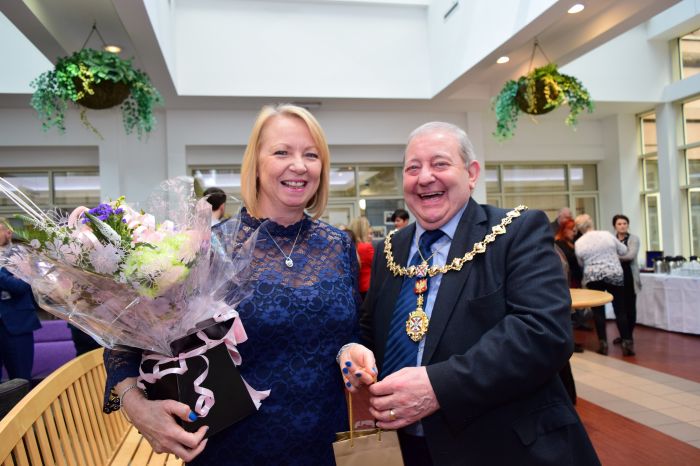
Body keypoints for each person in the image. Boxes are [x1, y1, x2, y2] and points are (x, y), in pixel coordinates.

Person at [102, 104, 360, 464]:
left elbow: (355, 332)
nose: (299, 165)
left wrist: (355, 351)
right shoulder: (208, 247)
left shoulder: (339, 245)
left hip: (327, 446)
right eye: (282, 152)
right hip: (234, 450)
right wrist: (137, 408)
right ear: (255, 163)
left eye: (311, 155)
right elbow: (124, 345)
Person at [338, 122, 599, 465]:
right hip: (404, 447)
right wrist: (354, 349)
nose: (425, 177)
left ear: (472, 173)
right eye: (412, 168)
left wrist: (438, 386)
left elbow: (543, 332)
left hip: (501, 447)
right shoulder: (390, 248)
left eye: (440, 164)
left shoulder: (515, 231)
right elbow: (372, 328)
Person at [574, 214, 634, 356]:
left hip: (593, 276)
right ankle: (627, 343)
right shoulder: (606, 235)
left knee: (598, 312)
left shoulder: (579, 243)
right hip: (614, 273)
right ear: (591, 223)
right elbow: (624, 250)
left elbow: (580, 263)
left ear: (579, 228)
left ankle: (603, 344)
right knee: (620, 310)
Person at [0, 219, 41, 381]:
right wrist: (6, 277)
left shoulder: (19, 254)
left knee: (21, 379)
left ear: (8, 233)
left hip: (17, 324)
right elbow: (11, 282)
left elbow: (20, 287)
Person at [612, 214, 641, 346]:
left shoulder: (634, 239)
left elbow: (630, 255)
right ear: (615, 226)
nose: (622, 226)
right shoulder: (611, 239)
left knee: (630, 308)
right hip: (616, 277)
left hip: (629, 276)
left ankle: (629, 335)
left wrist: (614, 256)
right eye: (619, 224)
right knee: (619, 308)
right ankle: (624, 335)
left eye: (625, 223)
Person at [348, 216, 374, 300]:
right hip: (368, 288)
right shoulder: (366, 247)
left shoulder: (351, 246)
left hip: (356, 287)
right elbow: (379, 265)